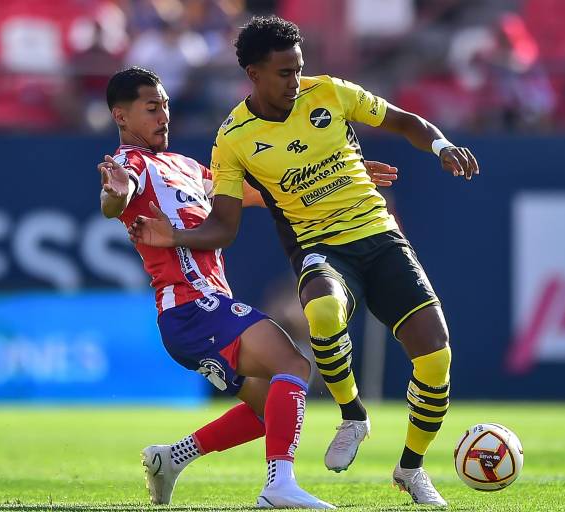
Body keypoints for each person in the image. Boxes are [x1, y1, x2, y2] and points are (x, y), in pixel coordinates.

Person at [127, 15, 479, 507]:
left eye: (298, 68)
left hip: (380, 236)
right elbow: (224, 225)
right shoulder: (234, 137)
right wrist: (176, 236)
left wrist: (441, 145)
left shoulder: (329, 92)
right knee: (321, 314)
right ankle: (352, 416)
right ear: (253, 74)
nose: (295, 80)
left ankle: (411, 468)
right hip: (319, 247)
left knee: (437, 356)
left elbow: (404, 122)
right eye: (284, 73)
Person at [99, 66, 398, 508]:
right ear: (121, 117)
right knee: (293, 365)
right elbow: (114, 200)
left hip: (203, 310)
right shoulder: (130, 165)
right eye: (151, 108)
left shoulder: (186, 166)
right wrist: (116, 196)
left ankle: (170, 459)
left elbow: (263, 193)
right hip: (191, 308)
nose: (163, 115)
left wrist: (340, 177)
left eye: (165, 105)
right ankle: (279, 484)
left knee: (268, 408)